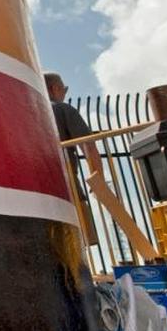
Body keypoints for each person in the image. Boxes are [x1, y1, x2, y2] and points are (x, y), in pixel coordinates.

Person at [45, 72, 103, 245]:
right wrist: (98, 179)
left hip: (41, 192)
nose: (64, 93)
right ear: (55, 89)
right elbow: (88, 145)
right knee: (80, 242)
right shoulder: (63, 109)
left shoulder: (28, 111)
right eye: (64, 89)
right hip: (69, 188)